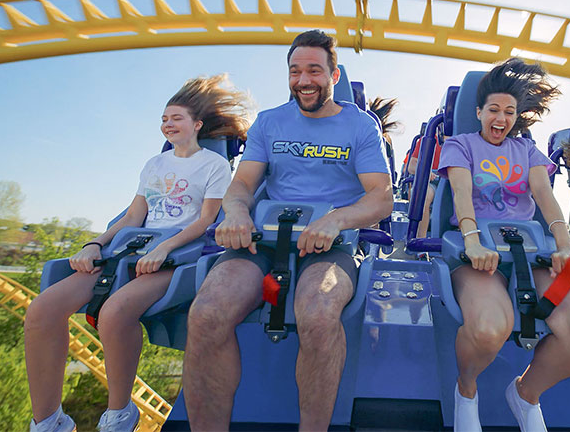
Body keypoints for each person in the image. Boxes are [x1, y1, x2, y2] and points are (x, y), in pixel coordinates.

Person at [182, 30, 393, 431]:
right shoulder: (269, 123)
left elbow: (380, 198)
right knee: (207, 313)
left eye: (314, 70)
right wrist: (237, 214)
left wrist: (335, 220)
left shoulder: (360, 126)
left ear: (334, 74)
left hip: (331, 243)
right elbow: (240, 186)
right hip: (264, 239)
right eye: (295, 71)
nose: (303, 80)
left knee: (317, 312)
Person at [24, 75, 253, 432]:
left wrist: (164, 247)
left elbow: (206, 220)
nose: (167, 124)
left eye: (176, 118)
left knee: (114, 313)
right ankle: (48, 421)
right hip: (132, 251)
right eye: (164, 119)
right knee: (41, 310)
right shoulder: (154, 165)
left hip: (178, 256)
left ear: (197, 124)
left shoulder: (214, 166)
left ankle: (119, 415)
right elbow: (133, 216)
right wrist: (95, 244)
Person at [437, 58, 570, 432]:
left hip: (531, 251)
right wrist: (473, 241)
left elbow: (545, 199)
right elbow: (462, 194)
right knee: (489, 329)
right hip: (478, 249)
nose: (501, 118)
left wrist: (564, 244)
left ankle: (526, 394)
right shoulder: (459, 145)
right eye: (493, 110)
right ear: (479, 112)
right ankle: (466, 391)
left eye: (509, 111)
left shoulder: (527, 151)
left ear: (517, 116)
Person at [407, 125, 442, 240]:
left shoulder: (462, 142)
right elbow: (411, 166)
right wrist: (426, 171)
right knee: (423, 196)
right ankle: (420, 239)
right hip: (433, 180)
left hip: (454, 180)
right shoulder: (426, 141)